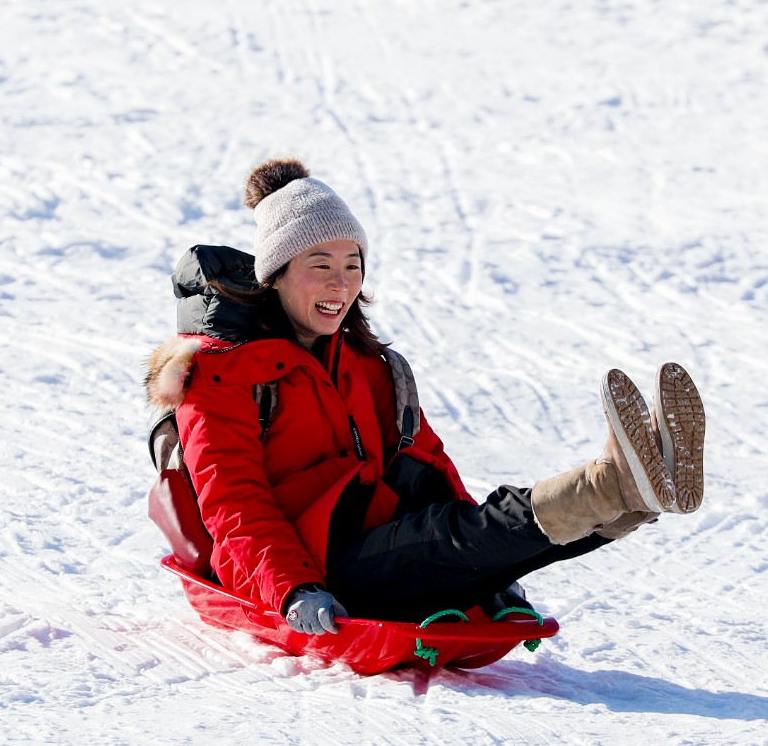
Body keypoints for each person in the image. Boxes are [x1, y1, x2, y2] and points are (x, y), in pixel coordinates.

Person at [145, 157, 705, 633]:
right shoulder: (222, 377)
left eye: (352, 265)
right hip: (321, 571)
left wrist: (493, 575)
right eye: (320, 267)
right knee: (455, 538)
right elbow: (235, 505)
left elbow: (428, 463)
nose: (341, 285)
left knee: (477, 532)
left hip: (388, 543)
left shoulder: (369, 365)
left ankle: (636, 498)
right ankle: (615, 481)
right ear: (277, 275)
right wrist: (294, 589)